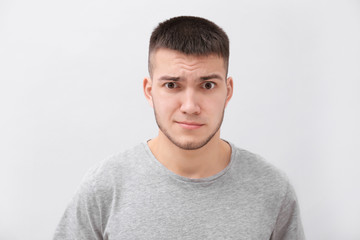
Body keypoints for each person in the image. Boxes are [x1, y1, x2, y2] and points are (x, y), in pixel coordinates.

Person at [53, 16, 305, 240]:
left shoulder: (272, 189)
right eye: (172, 85)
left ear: (228, 91)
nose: (190, 106)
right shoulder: (105, 186)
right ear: (149, 91)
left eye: (207, 85)